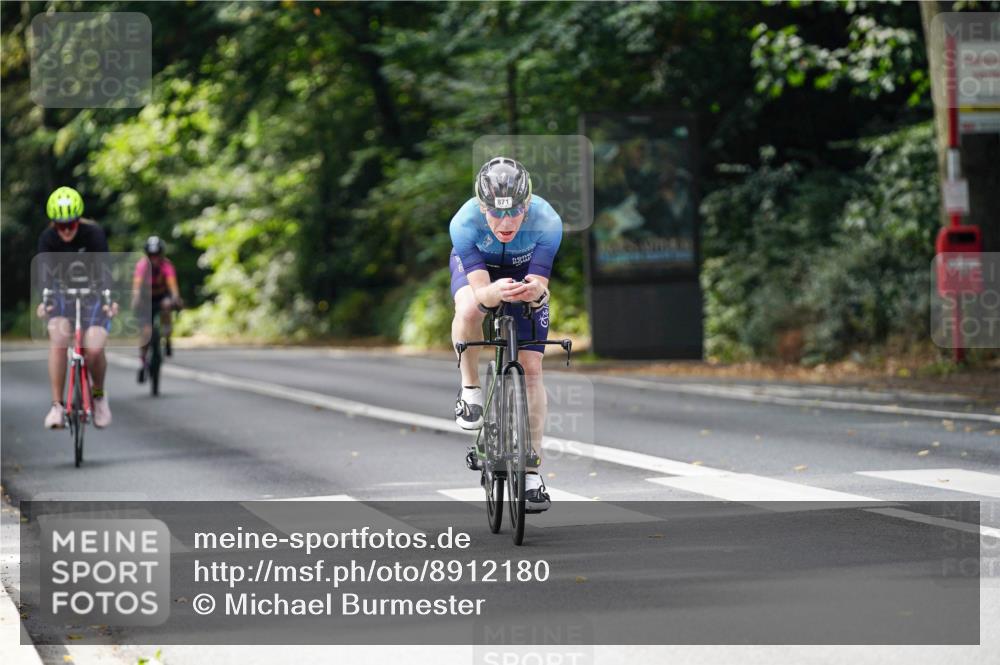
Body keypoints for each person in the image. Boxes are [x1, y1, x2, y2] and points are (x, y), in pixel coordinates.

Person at [449, 157, 563, 512]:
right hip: (481, 274)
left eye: (514, 212)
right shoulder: (463, 223)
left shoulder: (547, 221)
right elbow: (482, 293)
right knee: (469, 309)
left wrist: (535, 293)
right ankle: (470, 390)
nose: (505, 222)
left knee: (531, 369)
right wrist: (493, 293)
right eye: (495, 213)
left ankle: (530, 473)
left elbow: (541, 288)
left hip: (525, 274)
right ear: (482, 208)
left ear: (526, 205)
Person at [36, 186, 116, 429]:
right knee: (58, 337)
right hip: (63, 296)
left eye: (71, 224)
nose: (67, 230)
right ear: (54, 224)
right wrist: (45, 301)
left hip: (92, 295)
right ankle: (57, 406)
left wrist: (109, 300)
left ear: (78, 219)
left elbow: (105, 271)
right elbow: (44, 276)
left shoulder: (93, 234)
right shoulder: (47, 240)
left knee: (94, 347)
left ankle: (99, 396)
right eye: (61, 226)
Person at [131, 235, 183, 383]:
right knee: (146, 333)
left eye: (157, 255)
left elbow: (173, 287)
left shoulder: (167, 266)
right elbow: (136, 286)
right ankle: (143, 362)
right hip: (146, 300)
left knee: (167, 307)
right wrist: (135, 300)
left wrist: (175, 298)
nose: (154, 258)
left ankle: (167, 338)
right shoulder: (142, 266)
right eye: (151, 255)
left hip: (162, 297)